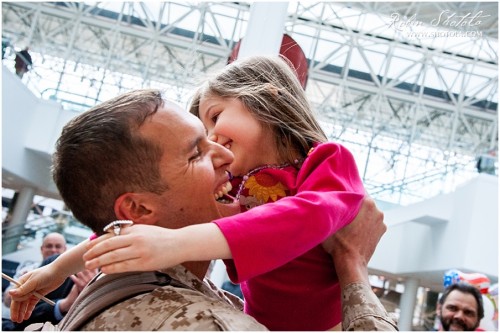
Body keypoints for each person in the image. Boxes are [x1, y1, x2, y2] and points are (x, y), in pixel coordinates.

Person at [9, 89, 397, 330]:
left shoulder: (322, 169)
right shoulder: (200, 322)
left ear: (269, 101)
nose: (223, 151)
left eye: (215, 119)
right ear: (140, 209)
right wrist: (352, 265)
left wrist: (56, 269)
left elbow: (302, 215)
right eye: (198, 151)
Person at [84, 55, 365, 330]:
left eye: (215, 116)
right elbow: (144, 222)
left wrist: (175, 243)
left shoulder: (328, 161)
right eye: (205, 132)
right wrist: (58, 269)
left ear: (267, 97)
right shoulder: (233, 182)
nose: (212, 136)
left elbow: (308, 216)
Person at [3, 233, 95, 331]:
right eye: (49, 246)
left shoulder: (78, 273)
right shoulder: (28, 269)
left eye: (58, 246)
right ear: (42, 249)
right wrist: (17, 292)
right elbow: (8, 299)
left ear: (65, 249)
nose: (53, 250)